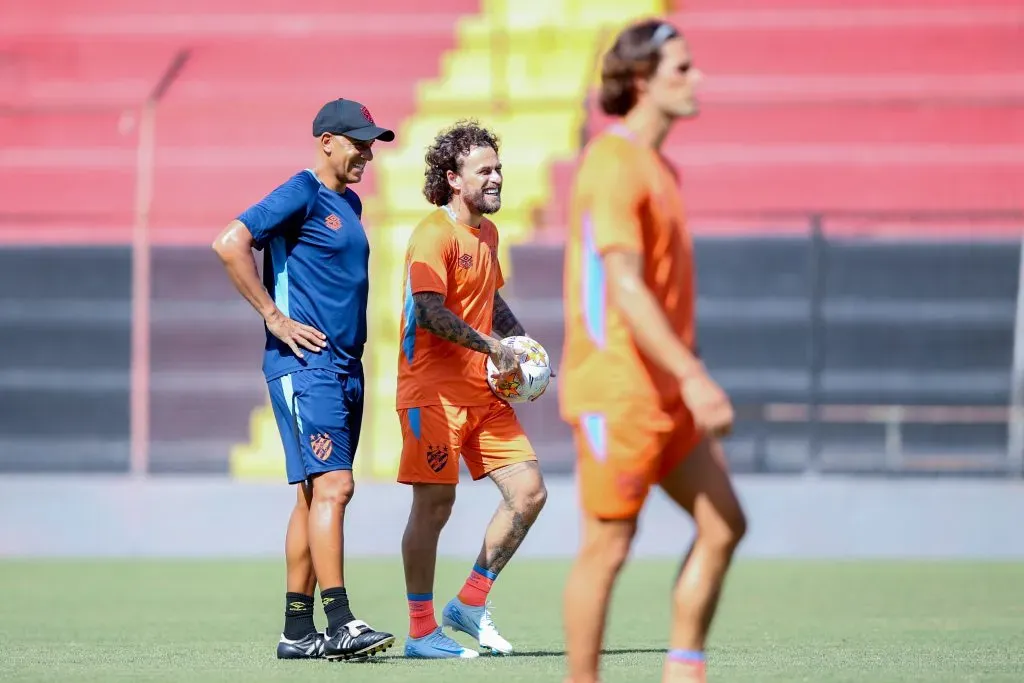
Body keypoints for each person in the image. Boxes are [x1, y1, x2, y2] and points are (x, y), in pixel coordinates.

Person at [559, 20, 748, 683]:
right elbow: (626, 287)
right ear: (642, 80)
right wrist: (695, 375)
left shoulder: (659, 165)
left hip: (661, 394)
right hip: (619, 390)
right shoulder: (612, 162)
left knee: (724, 523)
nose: (697, 80)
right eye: (683, 68)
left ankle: (683, 668)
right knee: (607, 546)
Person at [212, 98, 397, 662]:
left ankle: (297, 632)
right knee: (336, 487)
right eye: (358, 141)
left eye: (371, 142)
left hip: (344, 365)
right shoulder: (303, 190)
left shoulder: (351, 202)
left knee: (314, 494)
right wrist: (274, 316)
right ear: (325, 142)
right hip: (306, 366)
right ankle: (339, 620)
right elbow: (231, 242)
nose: (367, 151)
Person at [395, 120, 549, 659]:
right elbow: (430, 311)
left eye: (498, 168)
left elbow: (492, 299)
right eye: (484, 170)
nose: (496, 176)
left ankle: (469, 602)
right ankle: (420, 632)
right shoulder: (432, 234)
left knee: (529, 493)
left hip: (483, 395)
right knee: (435, 506)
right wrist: (492, 347)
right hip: (431, 396)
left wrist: (527, 351)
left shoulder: (488, 234)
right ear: (452, 179)